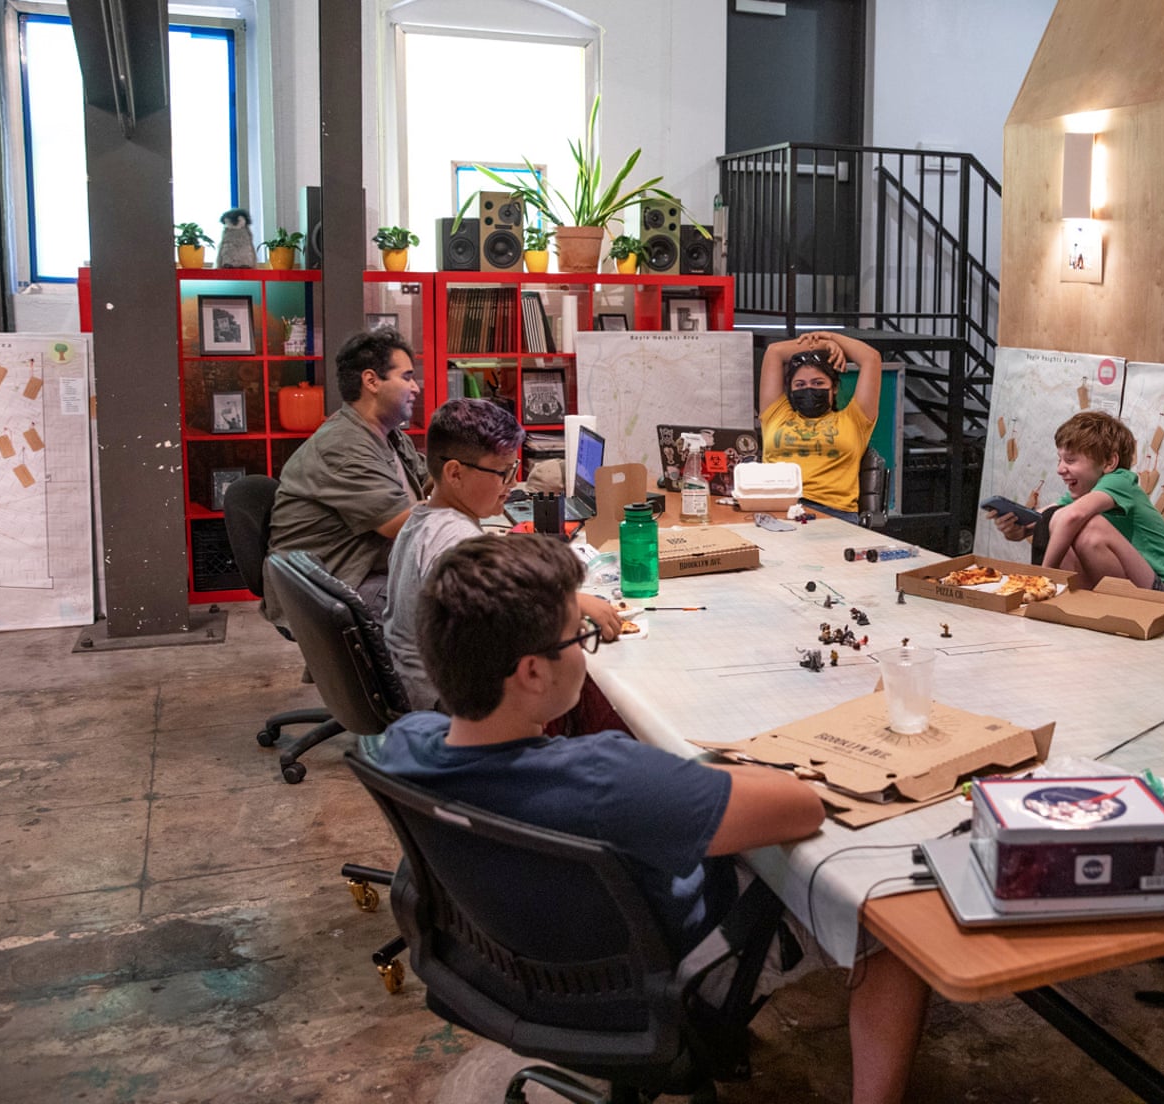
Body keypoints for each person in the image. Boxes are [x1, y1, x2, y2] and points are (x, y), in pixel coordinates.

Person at [377, 535, 932, 1104]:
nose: (585, 649)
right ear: (533, 674)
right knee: (890, 924)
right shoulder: (607, 778)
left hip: (505, 968)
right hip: (653, 983)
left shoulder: (403, 745)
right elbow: (801, 807)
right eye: (579, 637)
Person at [382, 398, 621, 710]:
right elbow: (503, 619)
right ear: (455, 474)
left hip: (419, 687)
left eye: (515, 471)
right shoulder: (455, 541)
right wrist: (573, 602)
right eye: (503, 473)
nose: (511, 486)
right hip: (444, 705)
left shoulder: (423, 518)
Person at [263, 329, 427, 622]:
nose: (416, 388)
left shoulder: (389, 436)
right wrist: (466, 495)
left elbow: (432, 479)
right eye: (406, 377)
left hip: (354, 573)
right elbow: (400, 524)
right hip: (326, 587)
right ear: (371, 381)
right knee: (448, 608)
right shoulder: (344, 445)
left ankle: (344, 669)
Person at [989, 410, 1164, 592]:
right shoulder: (1083, 494)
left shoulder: (1121, 480)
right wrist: (1018, 529)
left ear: (1109, 462)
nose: (1060, 469)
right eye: (1059, 460)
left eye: (1070, 460)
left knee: (1086, 526)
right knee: (1058, 521)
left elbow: (1072, 516)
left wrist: (1041, 578)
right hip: (1140, 587)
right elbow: (1041, 519)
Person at [759, 331, 883, 523]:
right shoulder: (776, 414)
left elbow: (871, 358)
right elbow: (774, 352)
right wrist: (823, 346)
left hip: (834, 514)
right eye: (800, 384)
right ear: (790, 390)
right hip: (777, 509)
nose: (808, 388)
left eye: (818, 383)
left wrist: (831, 338)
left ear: (834, 388)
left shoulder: (855, 419)